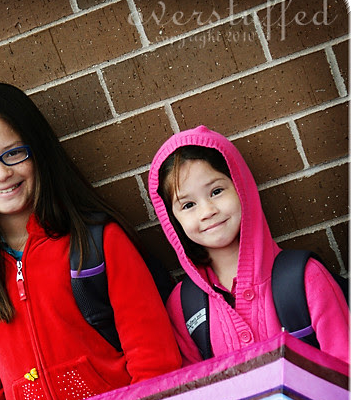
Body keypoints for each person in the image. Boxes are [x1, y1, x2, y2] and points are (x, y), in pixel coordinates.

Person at [0, 83, 182, 400]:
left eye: (13, 153)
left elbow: (153, 356)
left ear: (37, 150)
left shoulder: (98, 241)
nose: (1, 173)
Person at [148, 125, 349, 365]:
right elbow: (194, 385)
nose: (207, 211)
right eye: (188, 205)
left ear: (241, 187)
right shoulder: (183, 305)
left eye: (216, 191)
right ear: (173, 221)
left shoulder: (305, 277)